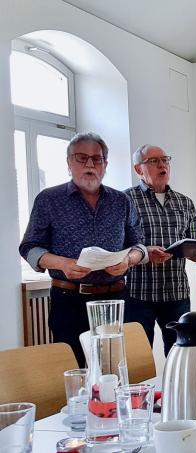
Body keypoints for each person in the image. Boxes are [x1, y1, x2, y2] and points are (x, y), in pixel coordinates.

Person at [19, 132, 147, 366]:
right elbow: (29, 247)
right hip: (69, 299)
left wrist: (128, 260)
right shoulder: (49, 199)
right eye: (81, 158)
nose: (90, 164)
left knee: (115, 370)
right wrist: (62, 264)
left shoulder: (121, 201)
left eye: (96, 159)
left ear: (105, 165)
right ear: (69, 163)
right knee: (74, 369)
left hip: (115, 299)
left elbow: (139, 245)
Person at [124, 144, 196, 355]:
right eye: (154, 161)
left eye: (165, 160)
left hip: (176, 293)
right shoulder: (126, 200)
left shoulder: (185, 203)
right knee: (137, 358)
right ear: (138, 169)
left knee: (180, 355)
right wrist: (145, 253)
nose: (162, 165)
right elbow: (119, 246)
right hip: (139, 294)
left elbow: (193, 246)